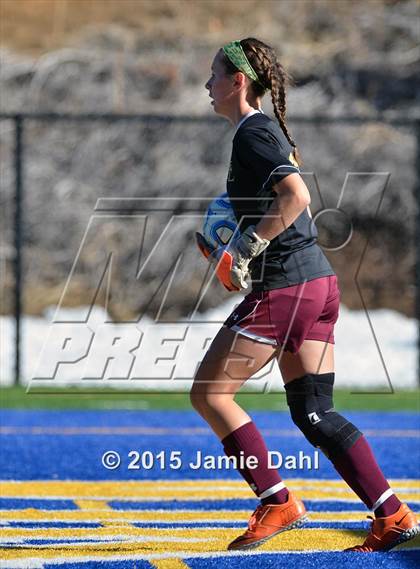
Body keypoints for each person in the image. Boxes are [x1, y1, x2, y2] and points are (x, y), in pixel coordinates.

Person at [191, 37, 419, 552]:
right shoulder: (254, 134)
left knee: (209, 394)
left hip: (290, 286)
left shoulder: (253, 133)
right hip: (316, 283)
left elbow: (297, 196)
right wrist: (238, 252)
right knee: (314, 412)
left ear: (237, 82)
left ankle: (276, 500)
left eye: (213, 75)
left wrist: (247, 244)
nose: (207, 85)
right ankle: (393, 515)